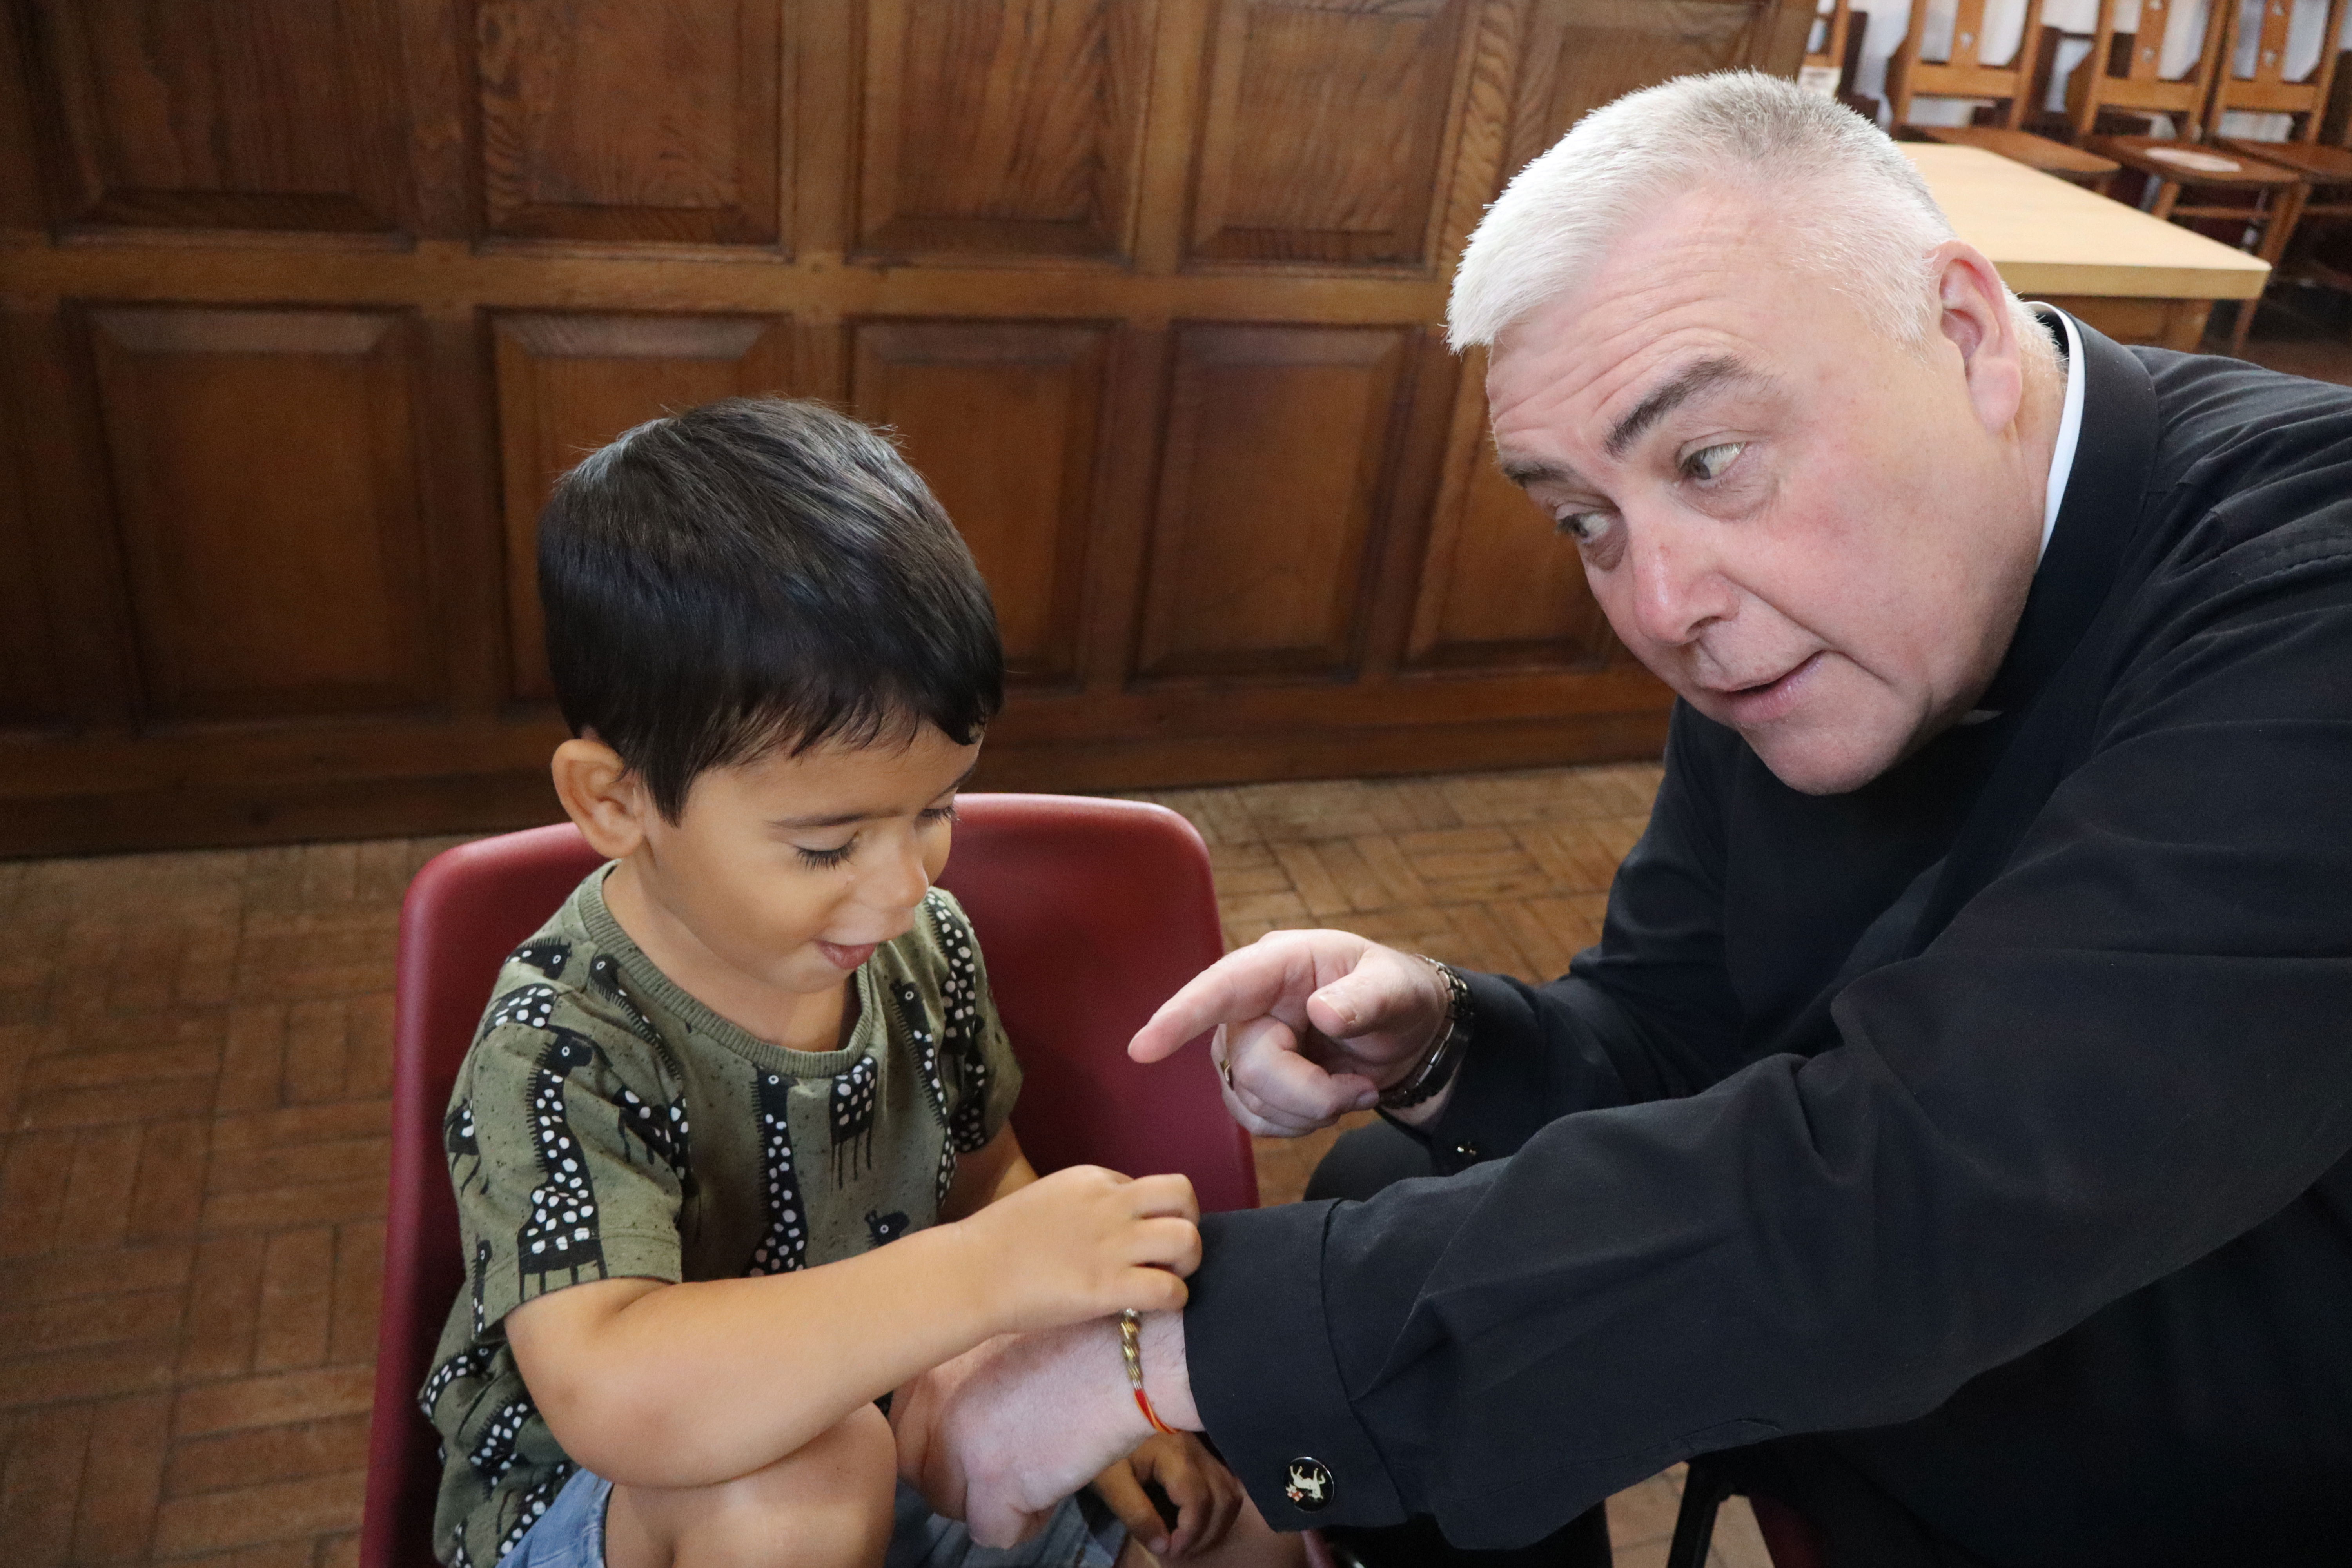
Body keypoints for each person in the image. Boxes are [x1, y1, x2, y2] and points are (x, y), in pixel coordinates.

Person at [887, 71, 2352, 1568]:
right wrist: (1453, 1038)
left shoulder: (2317, 571)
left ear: (1965, 334)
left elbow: (1943, 1182)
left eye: (1709, 460)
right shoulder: (1782, 606)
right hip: (1870, 1347)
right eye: (1586, 518)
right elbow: (1680, 1027)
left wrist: (1167, 1351)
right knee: (1405, 1169)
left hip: (2194, 1451)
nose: (1659, 607)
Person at [419, 398, 1301, 1568]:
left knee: (1238, 1534)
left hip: (896, 1424)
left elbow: (984, 1182)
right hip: (625, 1506)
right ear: (614, 801)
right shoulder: (560, 1042)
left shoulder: (917, 941)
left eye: (935, 810)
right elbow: (616, 1389)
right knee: (802, 1479)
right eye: (827, 846)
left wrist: (1064, 1375)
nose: (898, 890)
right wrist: (977, 1283)